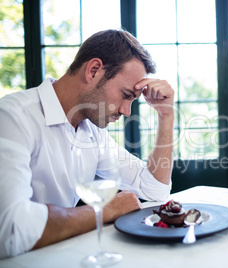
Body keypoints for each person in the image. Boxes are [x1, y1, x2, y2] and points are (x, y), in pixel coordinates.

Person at [0, 29, 175, 258]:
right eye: (124, 94)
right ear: (93, 71)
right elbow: (12, 231)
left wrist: (166, 115)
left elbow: (155, 189)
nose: (125, 110)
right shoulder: (12, 118)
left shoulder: (91, 128)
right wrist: (104, 210)